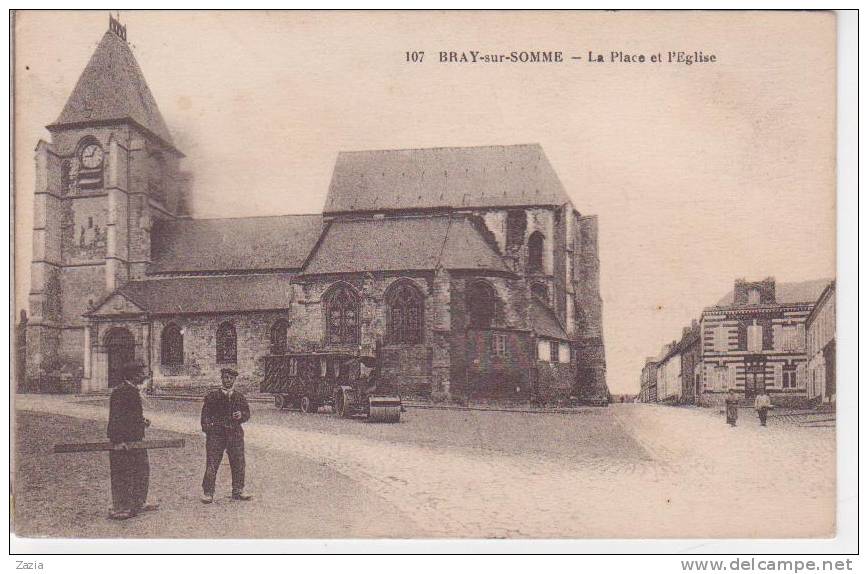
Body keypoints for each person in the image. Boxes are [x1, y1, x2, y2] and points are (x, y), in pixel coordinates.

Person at [107, 362, 159, 520]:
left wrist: (141, 421)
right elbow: (115, 417)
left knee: (141, 471)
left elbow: (130, 415)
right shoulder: (120, 392)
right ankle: (121, 507)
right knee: (123, 474)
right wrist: (117, 441)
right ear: (134, 375)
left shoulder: (132, 391)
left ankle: (138, 502)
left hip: (137, 439)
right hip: (124, 441)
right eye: (142, 373)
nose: (144, 376)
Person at [200, 368, 252, 503]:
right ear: (221, 378)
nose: (227, 380)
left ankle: (238, 490)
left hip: (235, 434)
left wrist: (241, 415)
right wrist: (209, 430)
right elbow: (205, 416)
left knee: (238, 462)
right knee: (212, 462)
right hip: (216, 435)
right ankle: (208, 492)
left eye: (230, 378)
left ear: (234, 380)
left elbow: (247, 413)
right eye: (225, 377)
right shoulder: (212, 396)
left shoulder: (239, 397)